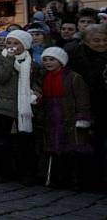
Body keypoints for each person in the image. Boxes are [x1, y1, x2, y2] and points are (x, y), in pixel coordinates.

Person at [0, 30, 43, 184]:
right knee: (2, 141)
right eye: (9, 42)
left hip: (24, 106)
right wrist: (9, 61)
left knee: (25, 141)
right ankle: (2, 171)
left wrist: (36, 91)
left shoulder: (30, 61)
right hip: (4, 105)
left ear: (24, 45)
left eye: (16, 43)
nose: (12, 46)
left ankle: (26, 172)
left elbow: (35, 81)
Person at [38, 47, 92, 189]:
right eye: (45, 60)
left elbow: (82, 98)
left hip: (68, 116)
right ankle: (58, 178)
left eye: (52, 59)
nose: (48, 62)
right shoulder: (45, 77)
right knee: (55, 148)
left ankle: (75, 180)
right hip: (52, 116)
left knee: (73, 149)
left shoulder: (73, 77)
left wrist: (82, 117)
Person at [67, 24, 107, 189]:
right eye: (96, 40)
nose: (101, 44)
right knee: (84, 143)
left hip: (103, 105)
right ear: (85, 41)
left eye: (105, 40)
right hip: (83, 105)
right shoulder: (75, 55)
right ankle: (86, 179)